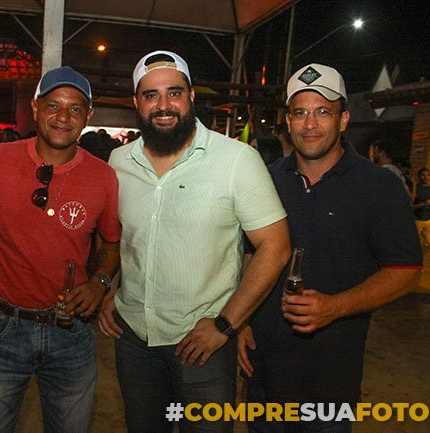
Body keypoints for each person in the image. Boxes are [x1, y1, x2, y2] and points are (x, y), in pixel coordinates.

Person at [99, 50, 290, 433]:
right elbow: (128, 240)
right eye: (151, 95)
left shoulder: (236, 159)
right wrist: (110, 287)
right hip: (134, 340)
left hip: (203, 345)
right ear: (137, 102)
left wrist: (226, 324)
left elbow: (276, 246)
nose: (163, 105)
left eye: (174, 92)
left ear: (190, 97)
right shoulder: (118, 162)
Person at [239, 63, 422, 433]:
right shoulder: (264, 181)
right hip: (265, 377)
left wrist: (335, 306)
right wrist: (240, 319)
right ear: (287, 121)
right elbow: (248, 254)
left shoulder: (378, 186)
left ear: (344, 120)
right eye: (300, 112)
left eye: (323, 111)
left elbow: (406, 271)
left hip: (331, 383)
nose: (310, 124)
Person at [0, 66, 121, 433]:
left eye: (75, 108)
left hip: (70, 331)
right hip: (1, 328)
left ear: (88, 115)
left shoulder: (103, 177)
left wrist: (99, 283)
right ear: (35, 108)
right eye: (53, 105)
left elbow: (112, 246)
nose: (63, 117)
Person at [412, 168, 430, 255]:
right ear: (419, 177)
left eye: (427, 175)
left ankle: (420, 256)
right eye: (423, 175)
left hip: (429, 220)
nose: (425, 177)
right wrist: (423, 204)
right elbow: (409, 207)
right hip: (417, 220)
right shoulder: (415, 189)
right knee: (414, 244)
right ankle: (417, 259)